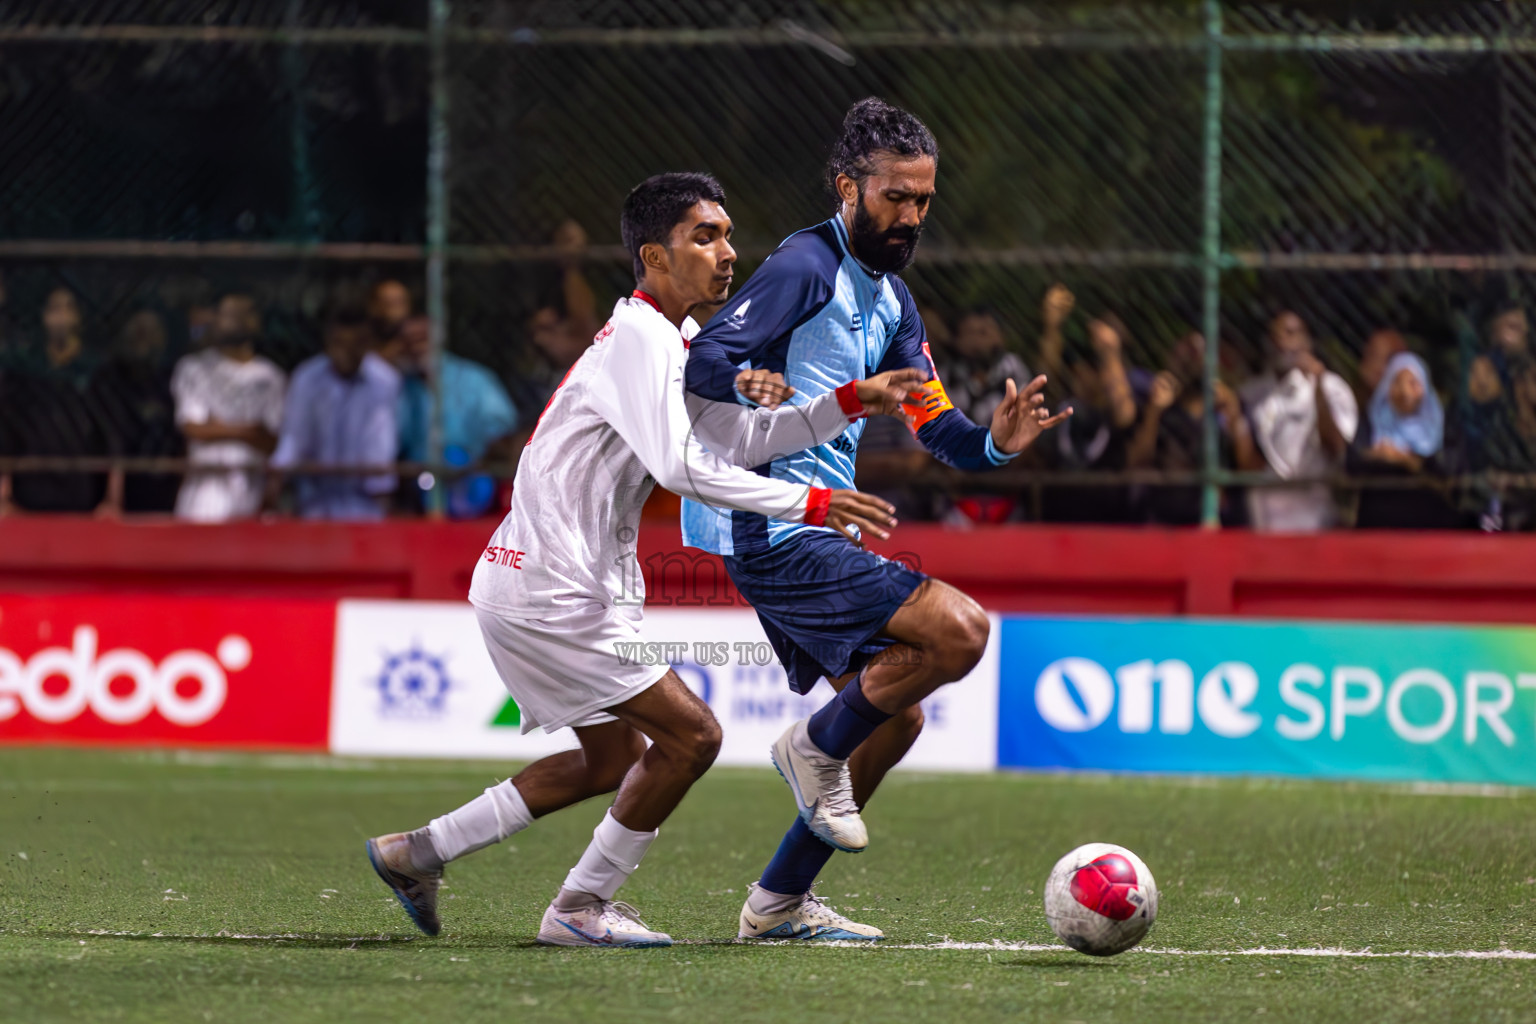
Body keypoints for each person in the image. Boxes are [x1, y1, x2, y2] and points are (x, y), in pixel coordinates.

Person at [364, 172, 924, 948]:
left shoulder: (678, 342)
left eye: (728, 234)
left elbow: (738, 441)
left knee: (612, 757)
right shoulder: (640, 336)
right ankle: (579, 906)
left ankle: (415, 853)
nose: (728, 253)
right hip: (551, 587)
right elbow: (678, 467)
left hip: (548, 581)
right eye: (707, 236)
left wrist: (847, 403)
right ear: (655, 256)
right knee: (693, 736)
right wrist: (811, 505)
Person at [681, 98, 1067, 942]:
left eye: (924, 200)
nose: (912, 217)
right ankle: (813, 749)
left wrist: (996, 446)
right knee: (960, 633)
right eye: (896, 197)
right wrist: (758, 387)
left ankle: (777, 903)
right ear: (847, 187)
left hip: (814, 531)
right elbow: (707, 357)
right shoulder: (804, 267)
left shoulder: (893, 302)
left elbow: (944, 433)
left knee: (897, 717)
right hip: (771, 527)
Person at [268, 305, 400, 520]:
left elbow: (380, 444)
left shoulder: (385, 381)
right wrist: (277, 484)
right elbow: (294, 437)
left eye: (356, 344)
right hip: (314, 500)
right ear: (328, 344)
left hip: (364, 502)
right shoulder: (307, 378)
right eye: (340, 344)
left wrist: (383, 498)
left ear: (367, 344)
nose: (347, 352)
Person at [170, 292, 286, 522]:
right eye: (225, 313)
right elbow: (194, 428)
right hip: (204, 496)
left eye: (240, 313)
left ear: (255, 321)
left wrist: (219, 427)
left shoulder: (271, 377)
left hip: (251, 494)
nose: (231, 320)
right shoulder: (194, 368)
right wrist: (249, 431)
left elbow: (273, 442)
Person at [1239, 310, 1358, 532]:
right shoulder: (1252, 393)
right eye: (1275, 335)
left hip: (1313, 512)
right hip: (1264, 514)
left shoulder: (1332, 388)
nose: (1281, 341)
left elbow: (1336, 447)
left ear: (1307, 342)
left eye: (1290, 333)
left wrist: (1318, 387)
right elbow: (1248, 461)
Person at [391, 315, 520, 518]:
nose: (416, 348)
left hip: (474, 486)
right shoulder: (402, 389)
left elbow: (503, 432)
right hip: (421, 493)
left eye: (422, 339)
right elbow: (397, 442)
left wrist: (475, 466)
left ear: (438, 339)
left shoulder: (475, 379)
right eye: (409, 342)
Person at [1126, 331, 1255, 525]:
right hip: (1166, 518)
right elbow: (1137, 460)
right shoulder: (1161, 409)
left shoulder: (1228, 407)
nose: (1193, 358)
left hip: (1216, 521)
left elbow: (1248, 468)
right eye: (1186, 353)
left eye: (1199, 352)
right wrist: (1154, 412)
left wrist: (1235, 416)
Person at [0, 287, 109, 514]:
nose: (61, 317)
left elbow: (111, 435)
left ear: (79, 317)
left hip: (83, 491)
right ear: (43, 316)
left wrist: (111, 499)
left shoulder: (95, 371)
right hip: (31, 490)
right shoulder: (25, 369)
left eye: (69, 308)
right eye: (54, 309)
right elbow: (8, 432)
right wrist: (5, 493)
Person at [1349, 350, 1457, 529]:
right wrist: (1378, 455)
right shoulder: (1371, 420)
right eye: (1397, 382)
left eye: (1413, 383)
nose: (1405, 391)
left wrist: (1407, 460)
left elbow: (1449, 469)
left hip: (1430, 525)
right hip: (1378, 525)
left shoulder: (1442, 425)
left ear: (1424, 387)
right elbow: (1352, 462)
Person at [91, 309, 183, 515]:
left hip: (163, 487)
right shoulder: (108, 379)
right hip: (114, 490)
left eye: (152, 332)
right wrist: (111, 496)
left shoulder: (172, 380)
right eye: (138, 331)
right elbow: (109, 437)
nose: (144, 337)